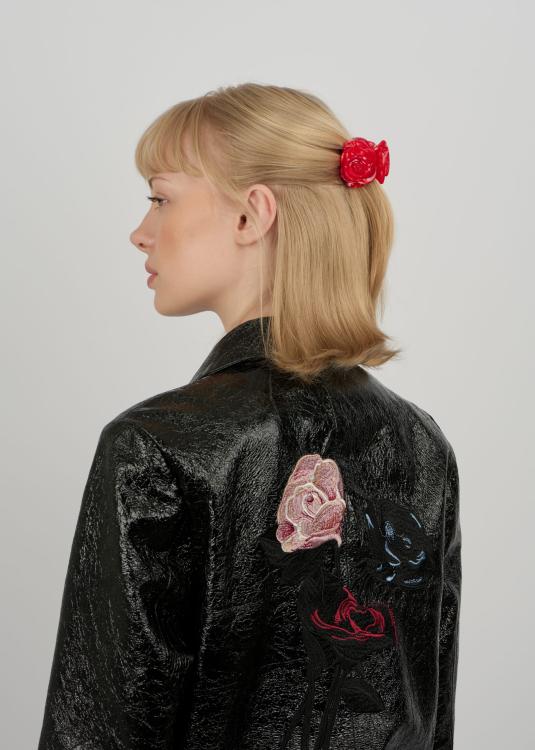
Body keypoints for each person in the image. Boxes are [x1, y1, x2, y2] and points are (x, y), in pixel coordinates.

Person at [37, 83, 462, 750]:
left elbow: (97, 732)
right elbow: (429, 720)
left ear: (251, 215)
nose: (140, 232)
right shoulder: (423, 444)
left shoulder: (158, 446)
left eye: (160, 198)